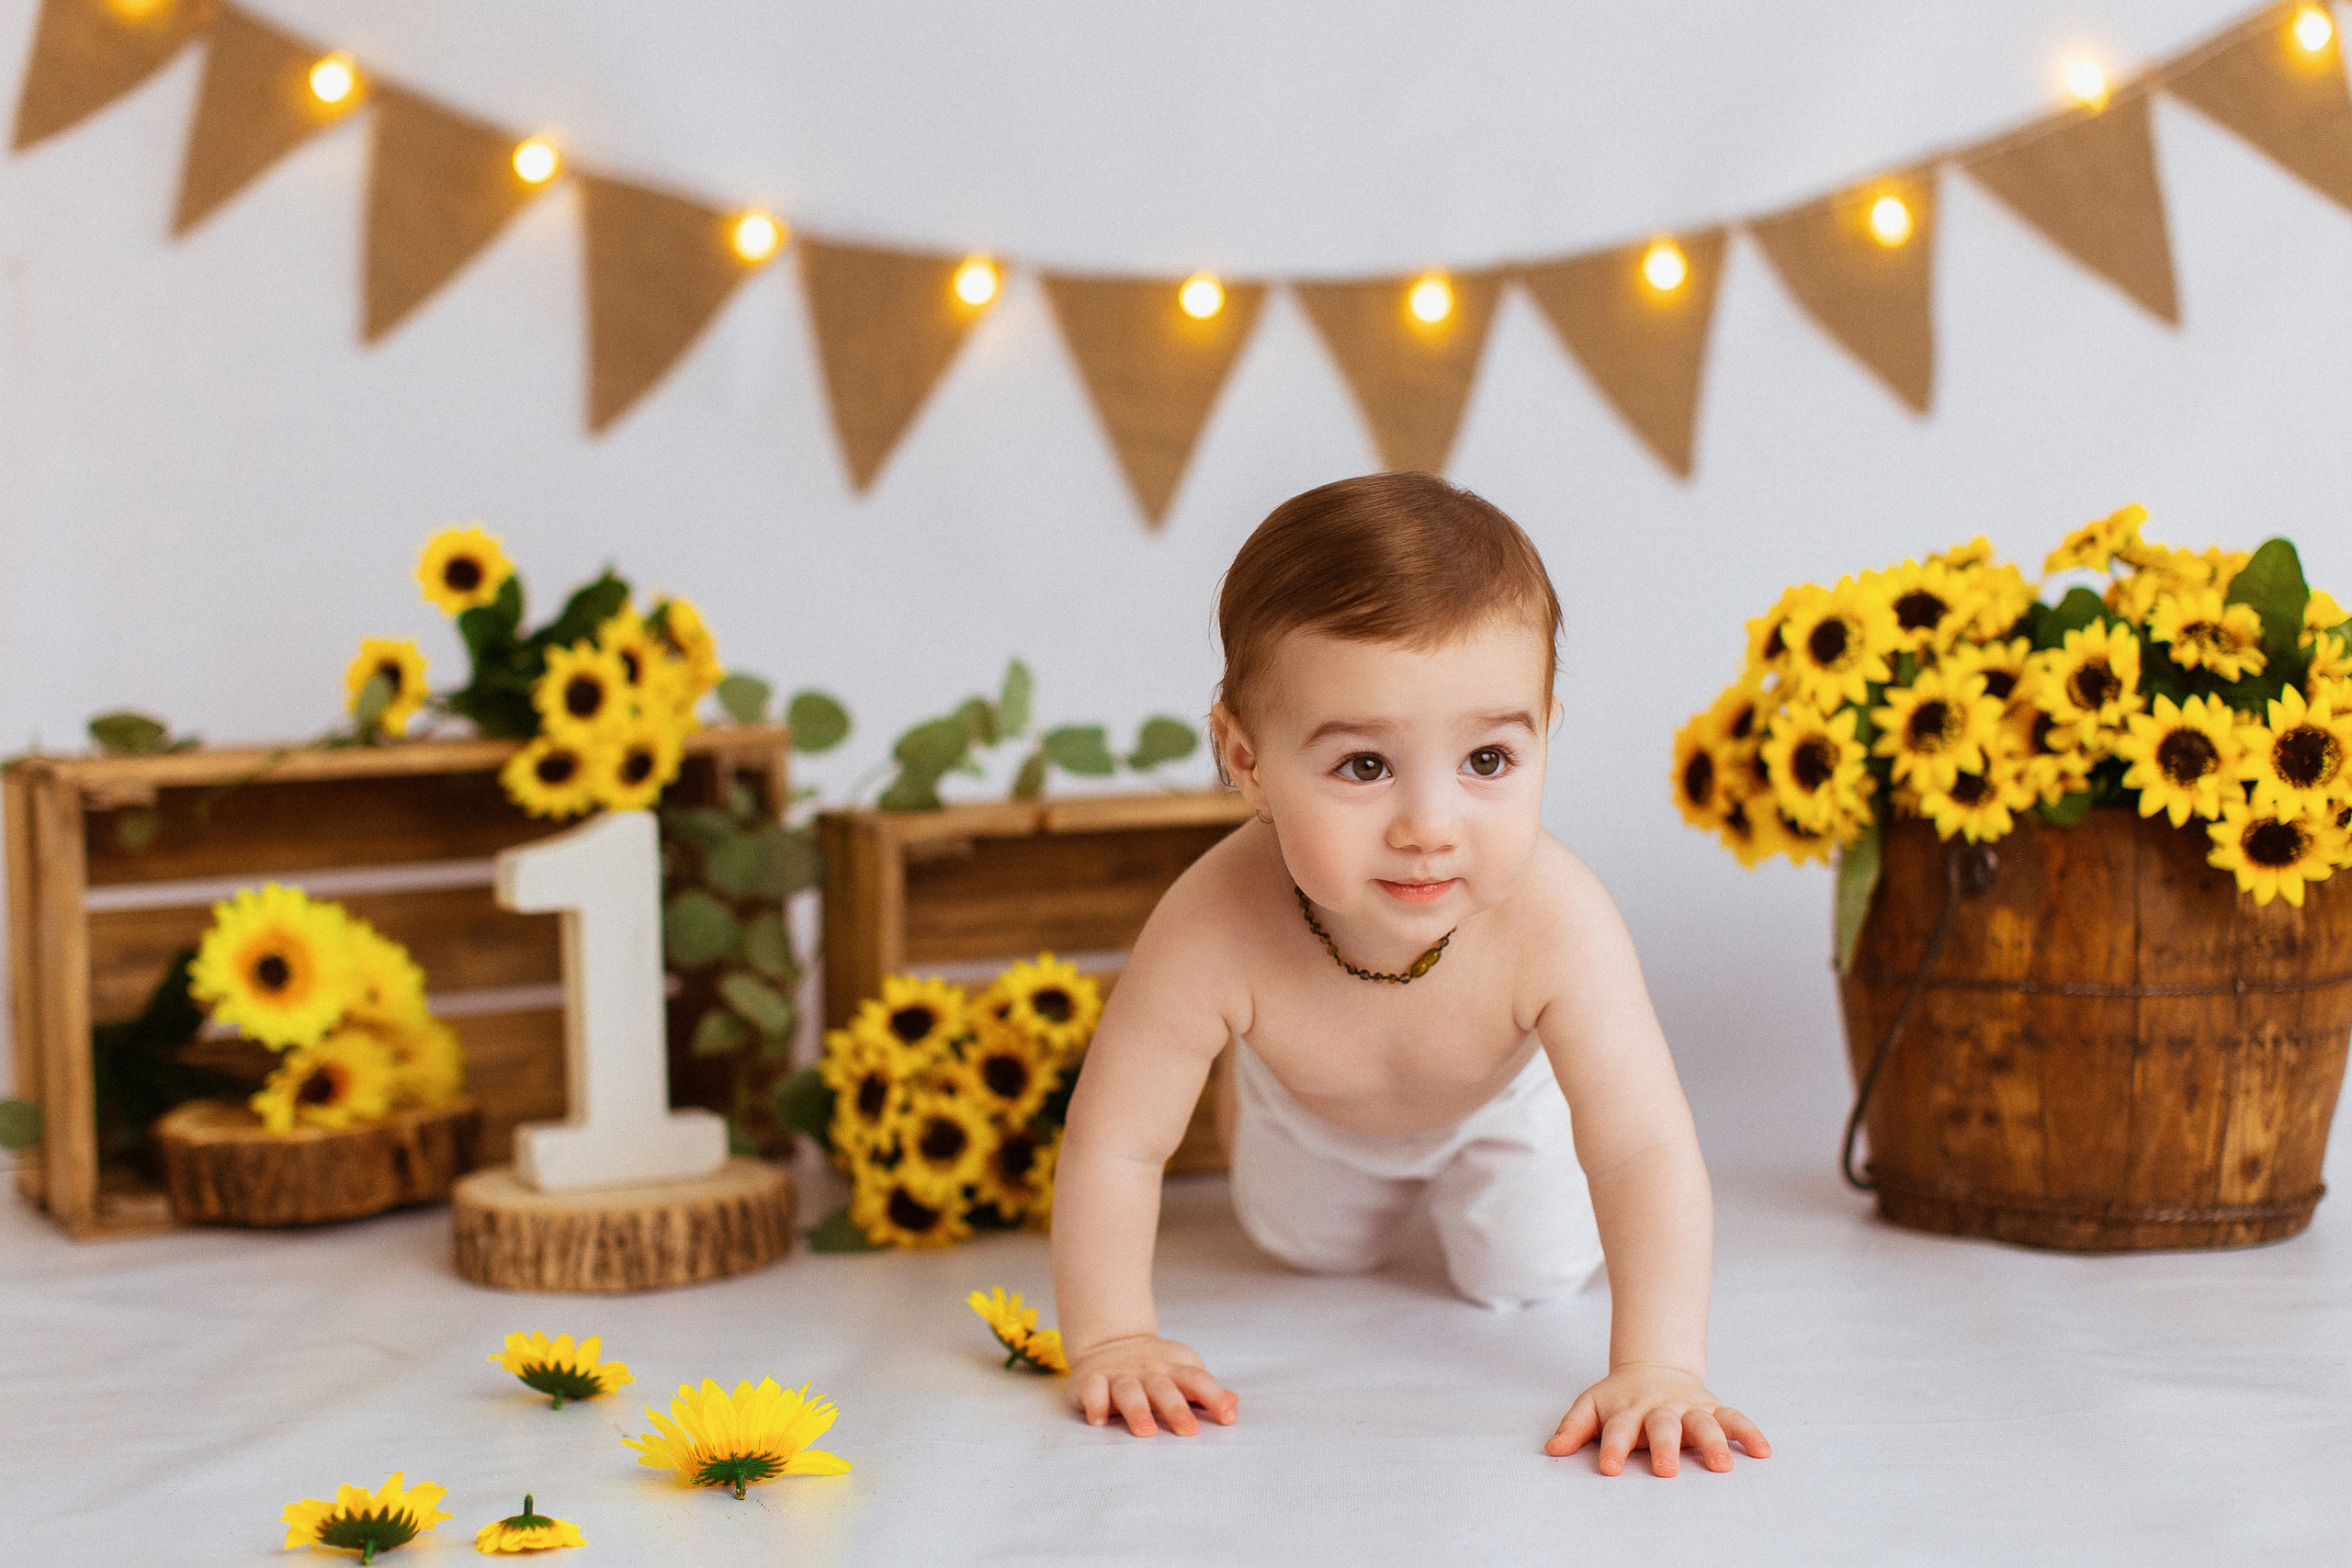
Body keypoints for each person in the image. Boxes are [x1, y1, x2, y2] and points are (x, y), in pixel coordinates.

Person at [1049, 472, 1768, 1476]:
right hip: (1313, 1116)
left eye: (1485, 761)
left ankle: (1482, 1180)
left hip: (1504, 1111)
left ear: (1544, 731)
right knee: (1303, 1250)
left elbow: (1642, 1148)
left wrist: (1660, 1364)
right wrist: (1113, 1338)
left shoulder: (1557, 919)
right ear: (1244, 758)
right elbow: (1116, 1148)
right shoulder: (1212, 924)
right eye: (1362, 767)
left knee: (1525, 1275)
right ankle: (1247, 1095)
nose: (1429, 827)